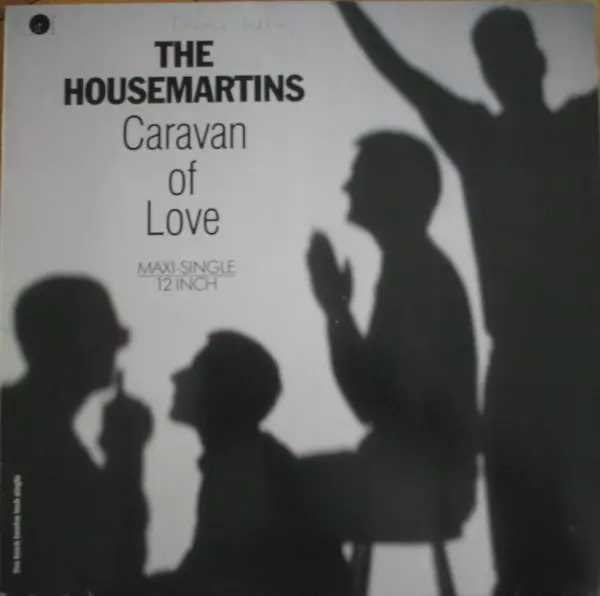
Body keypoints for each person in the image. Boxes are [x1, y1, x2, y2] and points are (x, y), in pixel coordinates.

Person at [335, 5, 600, 595]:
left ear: (536, 60)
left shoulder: (559, 129)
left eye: (506, 56)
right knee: (529, 555)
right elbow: (397, 69)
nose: (499, 70)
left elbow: (398, 71)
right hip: (525, 367)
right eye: (491, 60)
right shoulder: (486, 135)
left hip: (574, 364)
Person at [306, 132, 478, 593]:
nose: (347, 187)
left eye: (360, 176)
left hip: (422, 485)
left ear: (394, 189)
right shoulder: (411, 268)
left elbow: (373, 404)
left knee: (270, 490)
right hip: (423, 479)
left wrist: (336, 311)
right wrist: (337, 312)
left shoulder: (416, 274)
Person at [145, 331, 352, 596]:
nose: (177, 376)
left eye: (195, 370)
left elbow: (209, 581)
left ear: (220, 391)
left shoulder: (243, 474)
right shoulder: (249, 462)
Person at [0, 275, 152, 596]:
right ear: (65, 340)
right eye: (108, 333)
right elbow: (114, 575)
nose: (119, 344)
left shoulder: (34, 429)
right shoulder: (42, 445)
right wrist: (126, 457)